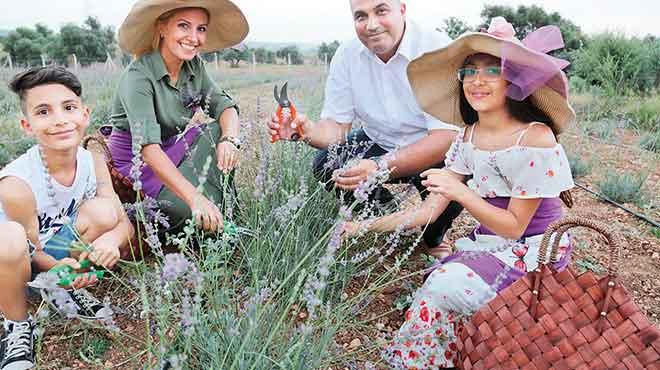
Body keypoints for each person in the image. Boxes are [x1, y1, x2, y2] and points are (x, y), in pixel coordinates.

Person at [345, 17, 577, 368]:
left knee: (441, 286)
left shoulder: (535, 137)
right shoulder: (467, 137)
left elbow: (515, 227)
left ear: (514, 81)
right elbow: (427, 212)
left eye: (492, 71)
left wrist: (460, 191)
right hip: (492, 244)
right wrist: (359, 229)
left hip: (533, 252)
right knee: (440, 285)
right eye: (469, 72)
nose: (477, 81)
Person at [267, 0, 462, 256]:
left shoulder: (436, 49)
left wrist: (379, 166)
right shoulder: (347, 55)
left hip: (433, 146)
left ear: (402, 9)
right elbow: (338, 129)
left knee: (455, 187)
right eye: (360, 16)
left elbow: (445, 137)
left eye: (381, 11)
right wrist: (307, 130)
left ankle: (432, 238)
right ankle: (387, 216)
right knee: (328, 164)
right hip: (379, 139)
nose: (371, 25)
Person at [0, 66, 134, 370]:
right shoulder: (16, 183)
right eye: (43, 111)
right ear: (26, 124)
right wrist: (63, 267)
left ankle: (56, 287)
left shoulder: (93, 162)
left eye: (69, 107)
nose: (60, 120)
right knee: (9, 237)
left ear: (84, 114)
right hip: (11, 258)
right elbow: (32, 252)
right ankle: (17, 325)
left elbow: (119, 218)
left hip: (49, 253)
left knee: (104, 210)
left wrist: (109, 244)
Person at [108, 0, 249, 233]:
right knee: (185, 212)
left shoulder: (194, 67)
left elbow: (225, 106)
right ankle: (207, 209)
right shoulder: (138, 77)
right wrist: (195, 198)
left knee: (217, 131)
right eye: (184, 26)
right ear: (162, 28)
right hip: (138, 163)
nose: (194, 37)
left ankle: (222, 209)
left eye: (201, 29)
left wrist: (230, 140)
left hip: (172, 151)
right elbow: (148, 149)